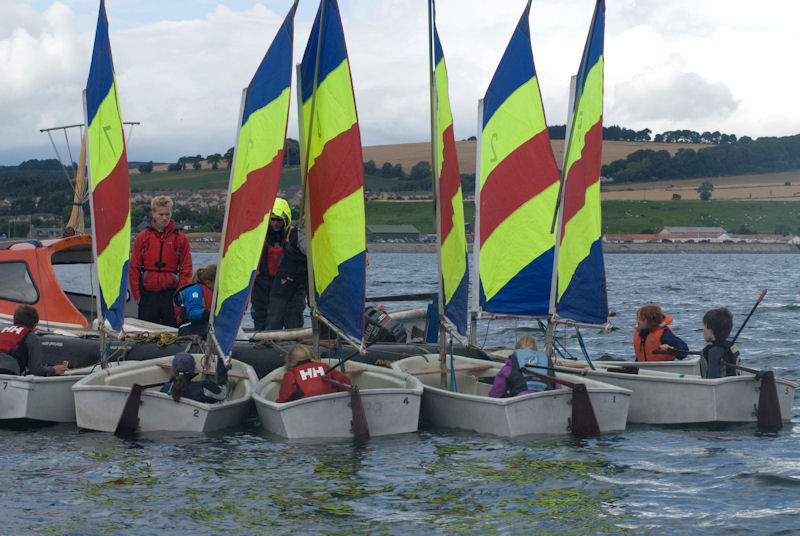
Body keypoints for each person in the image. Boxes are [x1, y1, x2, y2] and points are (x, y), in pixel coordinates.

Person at [130, 195, 192, 327]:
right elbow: (134, 268)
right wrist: (137, 296)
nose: (164, 218)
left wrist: (180, 296)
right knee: (146, 333)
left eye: (167, 214)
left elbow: (186, 270)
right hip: (147, 296)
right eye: (161, 214)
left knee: (172, 332)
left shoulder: (180, 238)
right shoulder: (143, 238)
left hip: (170, 295)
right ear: (153, 214)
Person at [251, 198, 292, 331]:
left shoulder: (291, 238)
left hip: (281, 283)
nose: (275, 223)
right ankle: (260, 338)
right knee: (260, 314)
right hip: (261, 282)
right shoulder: (258, 237)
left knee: (278, 316)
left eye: (279, 220)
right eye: (272, 220)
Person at [0, 304, 66, 376]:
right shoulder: (31, 337)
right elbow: (36, 370)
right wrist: (54, 370)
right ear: (34, 325)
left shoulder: (3, 331)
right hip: (7, 372)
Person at [265, 222, 308, 330]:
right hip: (283, 281)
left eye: (278, 221)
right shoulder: (296, 234)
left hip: (300, 282)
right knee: (275, 317)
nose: (275, 224)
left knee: (295, 313)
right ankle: (268, 339)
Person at [276, 344, 351, 403]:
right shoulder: (325, 367)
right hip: (332, 404)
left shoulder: (291, 375)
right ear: (310, 355)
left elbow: (284, 399)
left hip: (304, 411)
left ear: (290, 360)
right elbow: (346, 383)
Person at [160, 352, 229, 403]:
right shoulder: (204, 387)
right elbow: (222, 395)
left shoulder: (166, 387)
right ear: (193, 369)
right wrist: (222, 374)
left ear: (173, 370)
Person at [175, 265, 216, 339]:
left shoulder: (215, 294)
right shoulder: (196, 290)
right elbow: (192, 312)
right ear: (208, 282)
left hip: (206, 328)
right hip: (190, 328)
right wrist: (206, 314)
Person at [701, 307, 740, 378]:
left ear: (711, 330)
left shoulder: (714, 351)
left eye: (704, 326)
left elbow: (712, 380)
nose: (703, 330)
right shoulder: (732, 346)